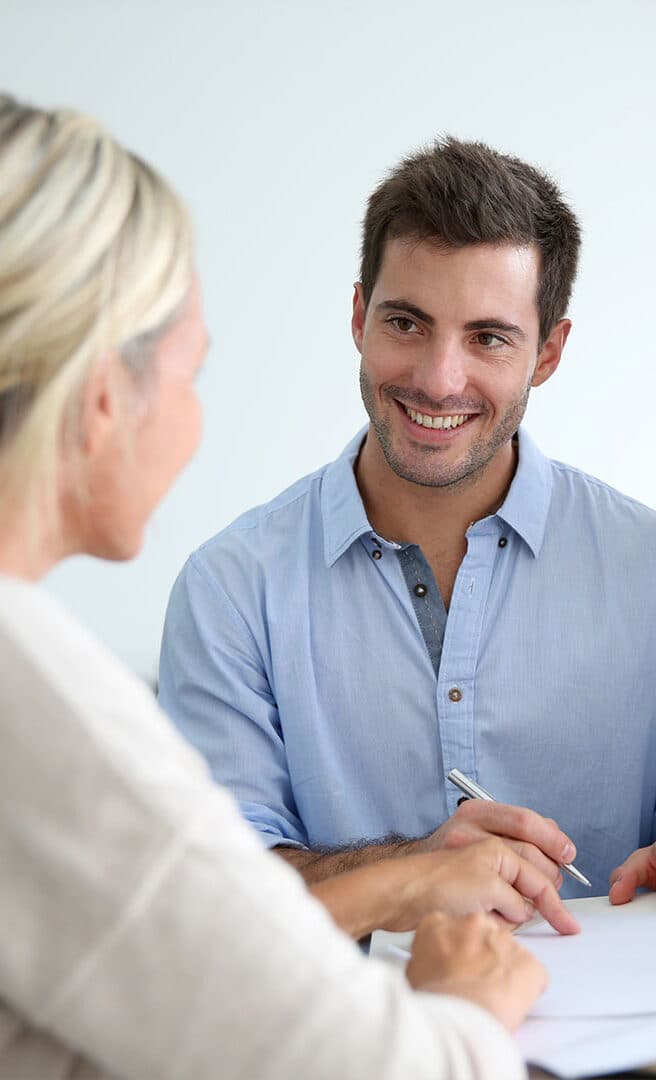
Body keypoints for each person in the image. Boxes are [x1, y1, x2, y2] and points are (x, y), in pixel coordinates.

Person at [0, 95, 568, 1080]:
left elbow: (184, 932)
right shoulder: (35, 696)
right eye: (192, 373)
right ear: (101, 400)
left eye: (487, 337)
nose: (441, 379)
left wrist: (404, 881)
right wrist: (471, 1007)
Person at [158, 136, 656, 917]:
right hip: (349, 995)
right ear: (359, 317)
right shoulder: (229, 587)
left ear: (548, 352)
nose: (439, 379)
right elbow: (217, 875)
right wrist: (409, 871)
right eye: (406, 323)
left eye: (488, 338)